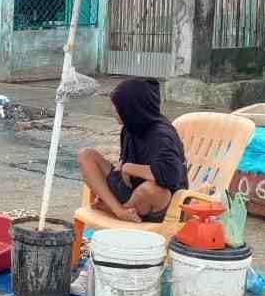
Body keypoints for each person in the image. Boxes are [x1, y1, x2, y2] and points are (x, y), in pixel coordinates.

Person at [77, 77, 188, 223]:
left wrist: (130, 168)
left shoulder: (161, 135)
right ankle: (118, 210)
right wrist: (121, 169)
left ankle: (118, 210)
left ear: (133, 108)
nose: (114, 111)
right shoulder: (130, 127)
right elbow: (122, 165)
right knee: (86, 155)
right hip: (131, 190)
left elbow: (171, 175)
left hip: (160, 203)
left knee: (150, 189)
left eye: (119, 107)